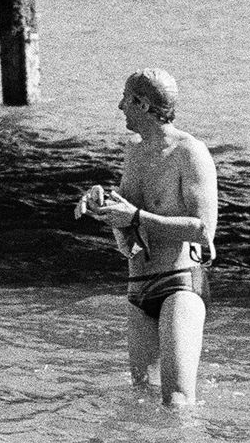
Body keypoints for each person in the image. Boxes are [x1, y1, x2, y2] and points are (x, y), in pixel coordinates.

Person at [78, 69, 218, 407]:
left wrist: (137, 217)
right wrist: (102, 203)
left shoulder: (190, 152)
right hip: (138, 286)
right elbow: (127, 232)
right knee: (140, 398)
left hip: (179, 284)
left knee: (177, 399)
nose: (119, 106)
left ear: (142, 104)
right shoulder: (134, 151)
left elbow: (204, 232)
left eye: (125, 99)